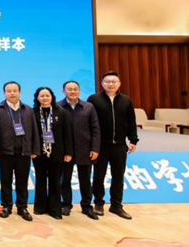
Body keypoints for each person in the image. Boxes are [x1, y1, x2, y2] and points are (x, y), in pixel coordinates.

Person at [88, 71, 139, 220]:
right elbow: (89, 122)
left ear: (119, 84)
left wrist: (133, 140)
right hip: (101, 146)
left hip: (120, 145)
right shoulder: (94, 99)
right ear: (102, 84)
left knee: (118, 176)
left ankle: (116, 205)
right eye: (107, 81)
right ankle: (98, 203)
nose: (111, 84)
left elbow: (131, 121)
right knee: (99, 176)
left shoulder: (126, 100)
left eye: (114, 81)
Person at [0, 81, 40, 221]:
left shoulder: (27, 109)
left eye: (15, 90)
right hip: (5, 152)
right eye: (9, 91)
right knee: (5, 181)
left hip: (24, 152)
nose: (12, 93)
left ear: (20, 92)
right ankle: (6, 206)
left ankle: (22, 207)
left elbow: (34, 130)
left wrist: (35, 149)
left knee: (22, 181)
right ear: (4, 93)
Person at [58, 80, 101, 220]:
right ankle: (66, 204)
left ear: (79, 90)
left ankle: (86, 206)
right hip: (65, 151)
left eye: (75, 89)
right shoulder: (58, 106)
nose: (72, 91)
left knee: (85, 180)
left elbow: (95, 129)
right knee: (65, 180)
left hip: (85, 149)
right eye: (69, 89)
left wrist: (95, 148)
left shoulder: (88, 107)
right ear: (64, 91)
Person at [32, 87, 73, 220]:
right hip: (39, 153)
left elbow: (67, 133)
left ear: (52, 97)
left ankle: (55, 209)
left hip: (57, 152)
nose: (45, 98)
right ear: (37, 98)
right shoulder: (33, 113)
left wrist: (68, 152)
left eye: (47, 95)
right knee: (40, 179)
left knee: (55, 180)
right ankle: (40, 207)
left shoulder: (61, 112)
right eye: (42, 96)